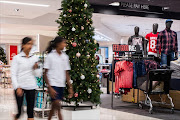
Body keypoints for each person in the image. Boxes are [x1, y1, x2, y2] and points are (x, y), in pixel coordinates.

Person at [44, 36, 74, 120]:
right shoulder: (50, 56)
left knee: (54, 106)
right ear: (58, 44)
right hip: (53, 84)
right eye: (64, 42)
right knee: (57, 104)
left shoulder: (65, 57)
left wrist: (70, 87)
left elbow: (66, 73)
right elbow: (45, 73)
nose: (65, 45)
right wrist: (49, 87)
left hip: (61, 84)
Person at [11, 37, 39, 120]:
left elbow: (37, 74)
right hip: (20, 87)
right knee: (20, 112)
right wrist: (17, 87)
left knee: (30, 113)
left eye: (31, 44)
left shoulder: (34, 58)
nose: (30, 46)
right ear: (23, 45)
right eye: (28, 44)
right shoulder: (17, 58)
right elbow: (13, 74)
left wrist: (36, 68)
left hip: (31, 86)